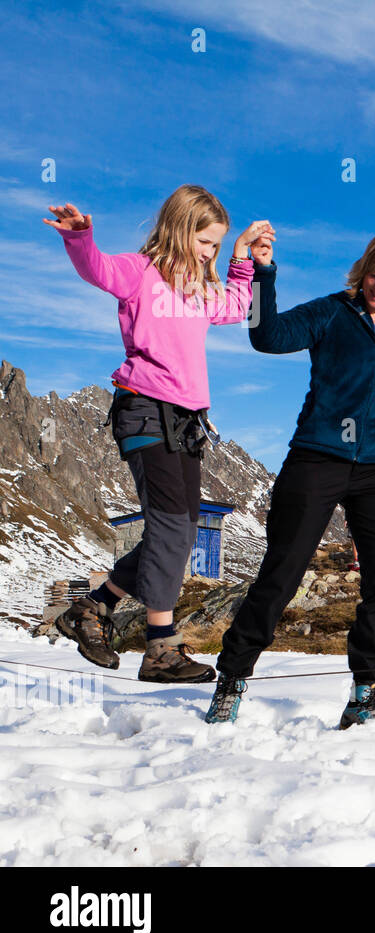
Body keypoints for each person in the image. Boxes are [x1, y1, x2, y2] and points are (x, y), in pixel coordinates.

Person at [206, 230, 375, 734]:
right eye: (374, 275)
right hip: (315, 460)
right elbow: (266, 336)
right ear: (362, 271)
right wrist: (263, 272)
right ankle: (231, 678)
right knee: (282, 574)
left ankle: (364, 691)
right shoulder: (331, 313)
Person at [44, 188, 272, 682]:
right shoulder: (140, 272)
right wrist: (81, 238)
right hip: (145, 412)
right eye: (204, 240)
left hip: (186, 424)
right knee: (171, 529)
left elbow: (236, 306)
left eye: (216, 244)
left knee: (182, 532)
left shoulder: (199, 289)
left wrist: (241, 258)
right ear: (178, 228)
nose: (208, 251)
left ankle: (91, 609)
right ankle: (161, 648)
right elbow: (96, 270)